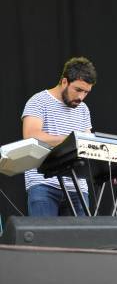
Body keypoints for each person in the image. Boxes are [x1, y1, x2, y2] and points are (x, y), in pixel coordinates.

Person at [22, 57, 97, 216]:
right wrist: (72, 140)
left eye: (86, 92)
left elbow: (88, 145)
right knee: (44, 240)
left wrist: (108, 169)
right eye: (78, 90)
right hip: (44, 184)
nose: (81, 97)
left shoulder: (83, 109)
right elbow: (31, 136)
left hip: (78, 187)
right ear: (64, 82)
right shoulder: (38, 101)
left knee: (80, 241)